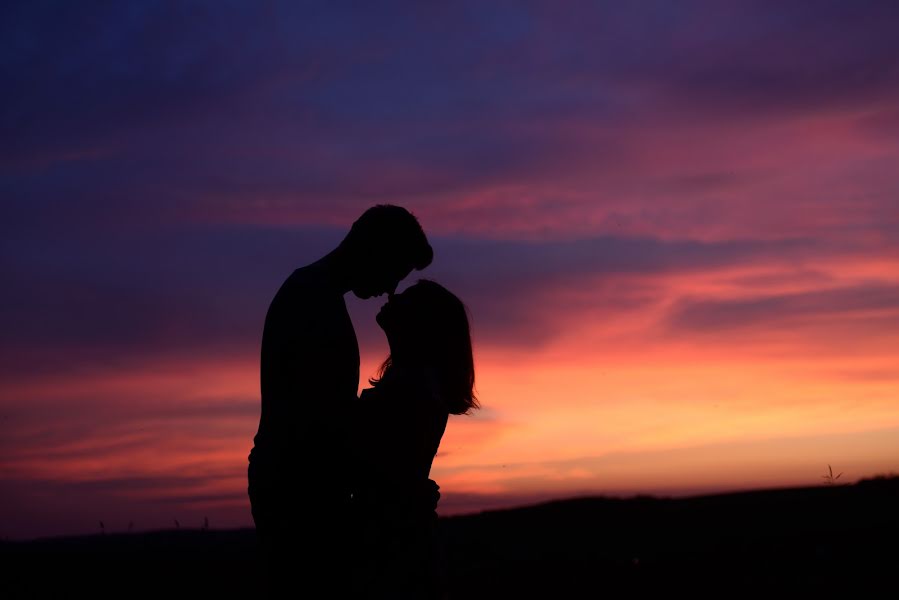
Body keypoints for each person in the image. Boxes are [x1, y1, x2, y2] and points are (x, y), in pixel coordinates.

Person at [247, 205, 433, 595]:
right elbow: (318, 420)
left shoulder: (315, 296)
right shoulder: (310, 301)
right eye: (393, 272)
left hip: (299, 486)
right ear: (374, 249)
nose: (390, 289)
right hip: (298, 495)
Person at [348, 279, 479, 598]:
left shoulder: (414, 387)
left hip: (392, 548)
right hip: (398, 540)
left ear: (422, 324)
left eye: (407, 297)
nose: (394, 295)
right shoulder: (412, 381)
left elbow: (370, 462)